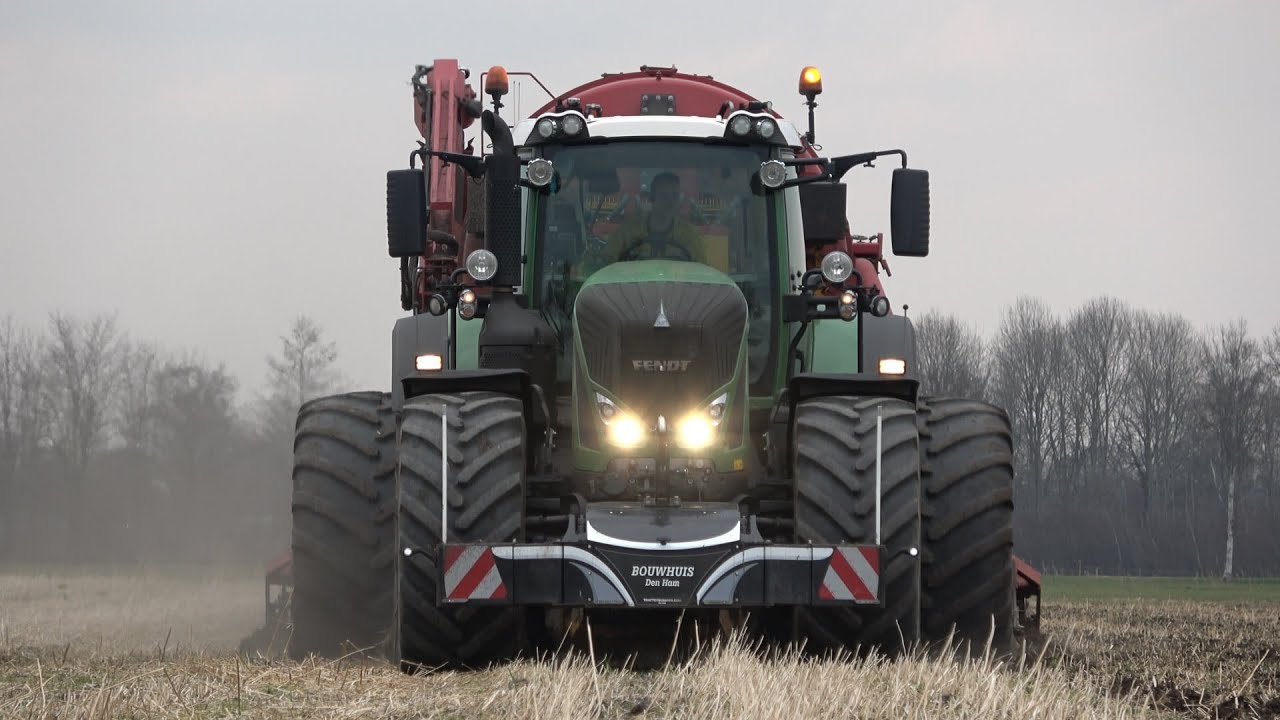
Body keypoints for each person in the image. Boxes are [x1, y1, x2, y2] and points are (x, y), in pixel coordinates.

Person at [603, 172, 708, 265]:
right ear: (652, 198)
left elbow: (703, 271)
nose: (670, 202)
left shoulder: (689, 235)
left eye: (674, 196)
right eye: (664, 196)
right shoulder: (628, 231)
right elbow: (607, 262)